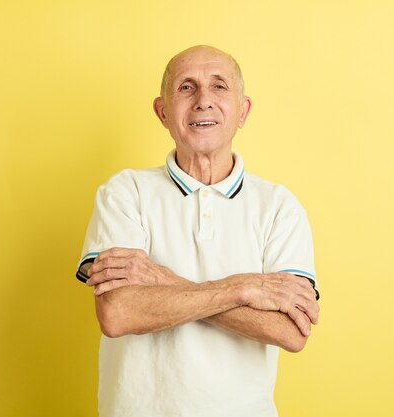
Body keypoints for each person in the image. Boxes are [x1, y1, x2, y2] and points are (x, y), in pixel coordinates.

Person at [77, 45, 320, 417]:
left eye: (219, 86)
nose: (203, 100)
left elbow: (290, 331)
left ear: (243, 111)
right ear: (162, 112)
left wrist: (161, 280)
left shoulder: (279, 206)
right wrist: (242, 288)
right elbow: (118, 313)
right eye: (186, 88)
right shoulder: (125, 192)